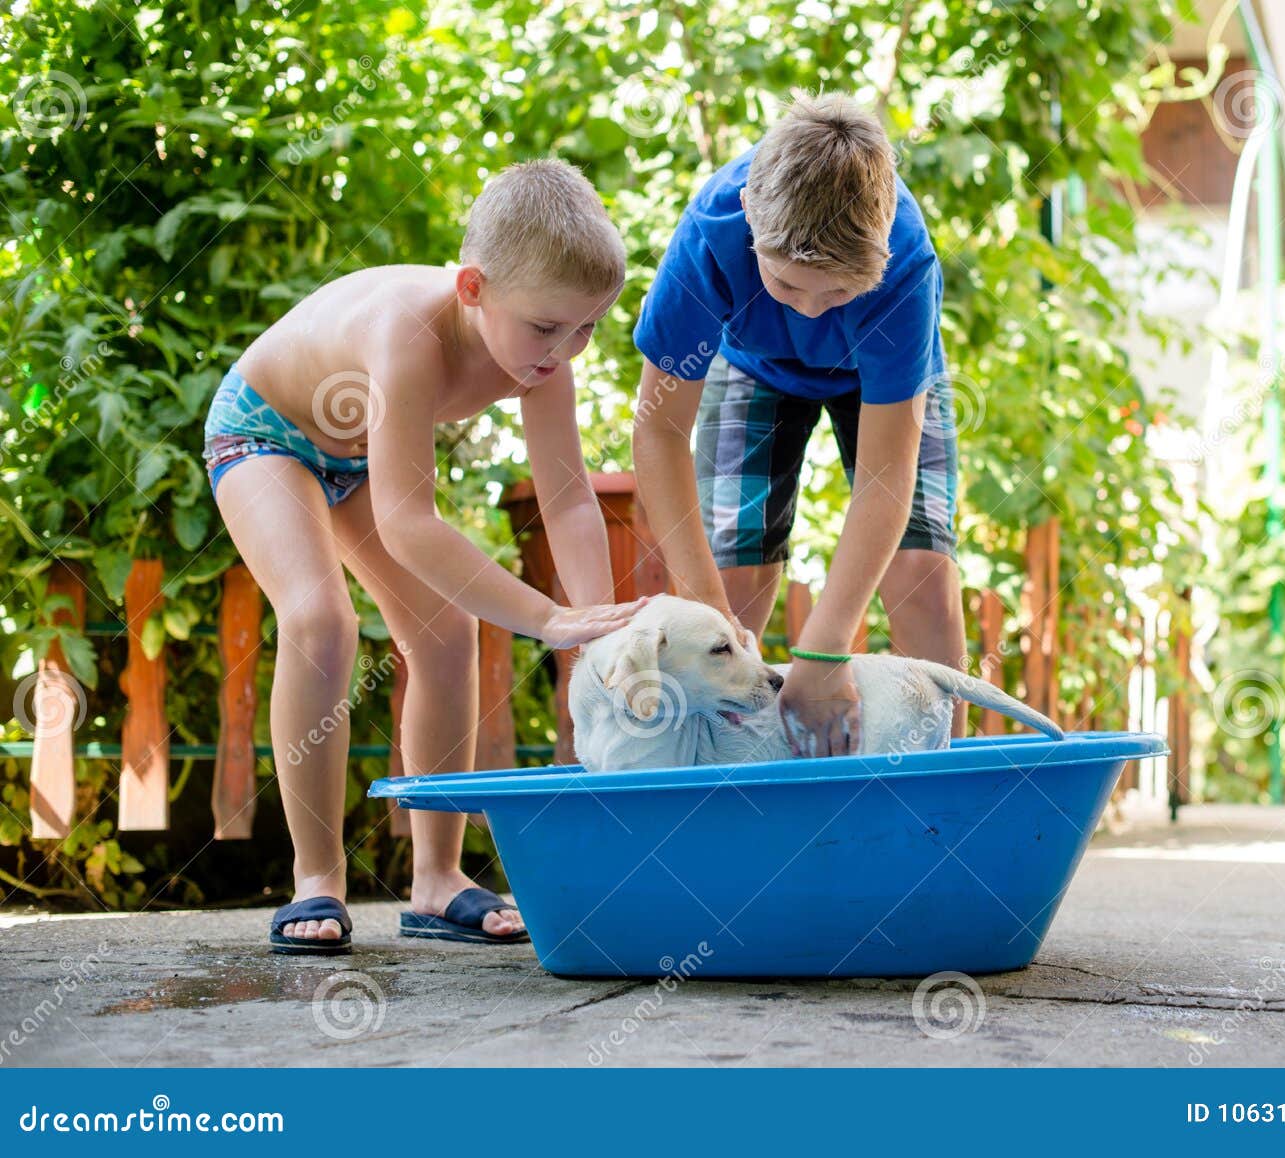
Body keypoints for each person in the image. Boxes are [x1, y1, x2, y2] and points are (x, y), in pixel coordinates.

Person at [204, 160, 646, 954]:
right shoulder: (407, 332)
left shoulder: (544, 355)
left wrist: (597, 632)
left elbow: (571, 499)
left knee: (445, 633)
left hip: (358, 457)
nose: (566, 348)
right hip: (266, 432)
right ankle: (317, 877)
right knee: (320, 622)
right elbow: (410, 523)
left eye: (588, 326)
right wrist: (547, 617)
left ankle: (438, 879)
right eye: (549, 326)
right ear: (473, 289)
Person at [632, 94, 964, 758]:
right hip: (753, 365)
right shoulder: (708, 237)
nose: (811, 312)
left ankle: (941, 799)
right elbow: (661, 429)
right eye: (786, 287)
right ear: (751, 218)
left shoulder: (906, 260)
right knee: (732, 585)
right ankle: (718, 794)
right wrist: (709, 612)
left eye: (836, 293)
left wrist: (826, 643)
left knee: (922, 575)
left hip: (878, 383)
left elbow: (885, 473)